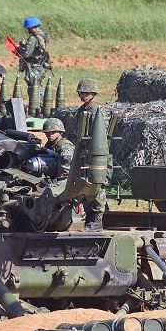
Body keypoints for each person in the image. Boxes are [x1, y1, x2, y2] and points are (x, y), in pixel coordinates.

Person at [73, 77, 109, 228]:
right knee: (85, 186)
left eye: (87, 93)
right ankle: (89, 217)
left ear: (93, 93)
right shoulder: (82, 110)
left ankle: (97, 220)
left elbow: (101, 134)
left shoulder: (97, 110)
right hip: (83, 154)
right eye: (82, 93)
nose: (84, 95)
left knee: (97, 187)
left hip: (95, 155)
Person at [17, 16, 51, 109]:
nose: (27, 30)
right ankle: (42, 107)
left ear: (32, 27)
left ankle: (37, 108)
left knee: (33, 88)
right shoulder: (44, 35)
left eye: (28, 28)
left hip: (34, 67)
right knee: (39, 87)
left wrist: (20, 49)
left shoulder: (33, 38)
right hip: (42, 65)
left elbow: (27, 54)